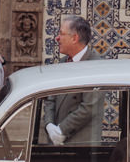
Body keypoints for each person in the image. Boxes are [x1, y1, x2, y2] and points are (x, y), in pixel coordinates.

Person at [45, 15, 105, 145]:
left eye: (61, 34)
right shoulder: (62, 63)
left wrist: (62, 130)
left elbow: (89, 107)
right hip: (57, 143)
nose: (57, 38)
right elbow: (50, 98)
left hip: (81, 146)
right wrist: (49, 125)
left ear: (74, 38)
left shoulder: (96, 65)